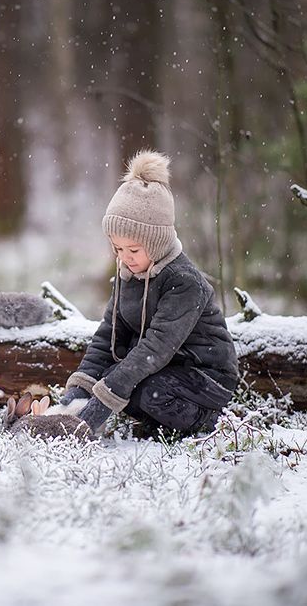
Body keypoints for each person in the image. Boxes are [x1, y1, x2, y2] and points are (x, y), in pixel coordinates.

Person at [63, 150, 240, 437]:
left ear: (156, 243)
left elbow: (156, 347)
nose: (125, 257)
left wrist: (97, 410)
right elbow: (109, 334)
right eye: (118, 249)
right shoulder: (127, 274)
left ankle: (205, 421)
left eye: (133, 249)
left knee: (147, 391)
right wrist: (77, 392)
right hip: (165, 369)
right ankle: (159, 418)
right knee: (118, 383)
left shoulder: (183, 282)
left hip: (205, 376)